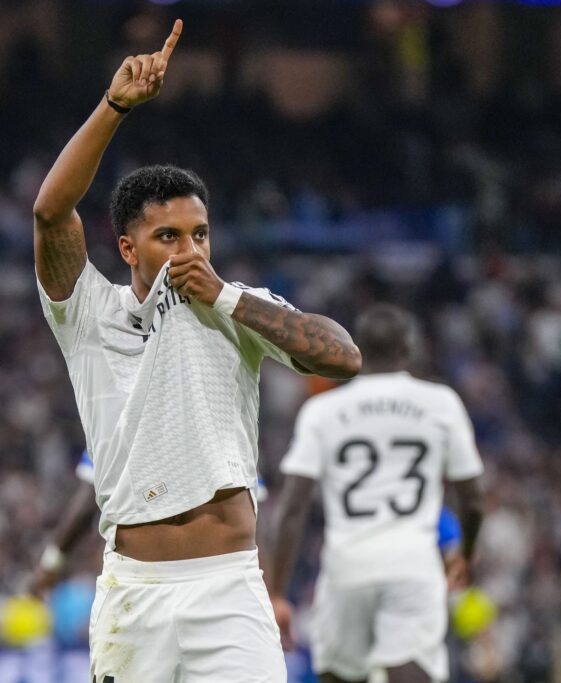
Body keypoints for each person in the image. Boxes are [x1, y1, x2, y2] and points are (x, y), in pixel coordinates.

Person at [32, 20, 362, 682]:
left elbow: (342, 355)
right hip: (135, 593)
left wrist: (228, 299)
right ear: (128, 248)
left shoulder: (238, 306)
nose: (190, 250)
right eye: (168, 235)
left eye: (200, 234)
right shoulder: (90, 312)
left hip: (229, 586)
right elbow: (50, 213)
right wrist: (115, 106)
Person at [268, 304, 485, 683]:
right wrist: (465, 555)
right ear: (408, 349)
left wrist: (278, 592)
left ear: (358, 350)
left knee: (338, 673)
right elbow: (473, 499)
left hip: (347, 562)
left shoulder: (322, 410)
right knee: (412, 671)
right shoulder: (441, 403)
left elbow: (292, 508)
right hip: (413, 561)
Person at [28, 451, 270, 598]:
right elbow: (255, 514)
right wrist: (270, 592)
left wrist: (52, 563)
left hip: (145, 582)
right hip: (221, 581)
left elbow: (85, 503)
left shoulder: (120, 417)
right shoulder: (225, 420)